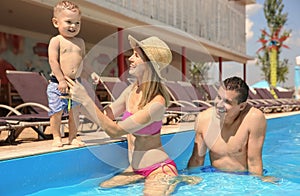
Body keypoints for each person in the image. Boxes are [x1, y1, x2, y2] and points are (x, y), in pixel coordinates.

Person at [65, 35, 201, 195]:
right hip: (134, 169)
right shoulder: (130, 91)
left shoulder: (157, 103)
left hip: (158, 168)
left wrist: (86, 100)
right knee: (103, 188)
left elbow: (114, 131)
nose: (129, 58)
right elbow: (105, 116)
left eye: (136, 55)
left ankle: (174, 177)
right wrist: (79, 102)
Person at [187, 76, 272, 177]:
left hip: (243, 177)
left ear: (242, 106)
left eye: (227, 102)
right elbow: (197, 160)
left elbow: (254, 162)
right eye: (218, 97)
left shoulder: (253, 118)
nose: (219, 105)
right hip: (215, 176)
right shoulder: (204, 119)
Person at [47, 0, 85, 147]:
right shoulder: (56, 40)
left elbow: (83, 61)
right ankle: (57, 136)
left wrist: (90, 74)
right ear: (56, 22)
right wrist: (61, 80)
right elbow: (53, 61)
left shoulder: (80, 42)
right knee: (56, 111)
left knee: (74, 112)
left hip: (75, 84)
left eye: (77, 23)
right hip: (58, 83)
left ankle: (73, 137)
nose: (73, 26)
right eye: (69, 22)